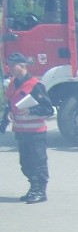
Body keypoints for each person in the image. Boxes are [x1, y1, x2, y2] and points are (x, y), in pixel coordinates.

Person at [0, 52, 55, 204]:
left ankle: (40, 191)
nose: (9, 68)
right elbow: (9, 104)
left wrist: (30, 110)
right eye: (9, 65)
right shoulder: (12, 83)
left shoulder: (35, 85)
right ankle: (33, 188)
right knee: (26, 163)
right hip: (21, 132)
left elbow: (48, 110)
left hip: (36, 133)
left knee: (38, 162)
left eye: (12, 65)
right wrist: (5, 121)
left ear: (22, 66)